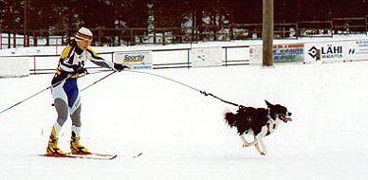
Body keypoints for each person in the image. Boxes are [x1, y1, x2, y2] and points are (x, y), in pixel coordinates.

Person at [46, 27, 126, 156]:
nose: (88, 44)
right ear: (79, 40)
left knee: (77, 118)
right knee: (63, 116)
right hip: (59, 86)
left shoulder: (86, 51)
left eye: (89, 41)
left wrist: (115, 65)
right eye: (86, 41)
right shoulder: (69, 50)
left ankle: (75, 144)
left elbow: (99, 60)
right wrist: (76, 69)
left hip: (73, 86)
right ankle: (52, 145)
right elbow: (63, 65)